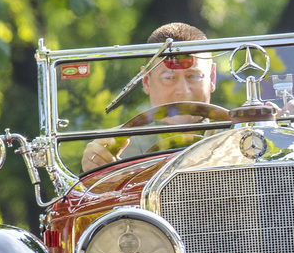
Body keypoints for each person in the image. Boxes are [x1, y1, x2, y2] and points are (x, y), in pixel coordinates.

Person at [82, 22, 218, 172]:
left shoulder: (239, 140)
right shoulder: (115, 146)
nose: (183, 91)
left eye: (194, 76)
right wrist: (96, 171)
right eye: (169, 78)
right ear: (146, 80)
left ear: (212, 78)